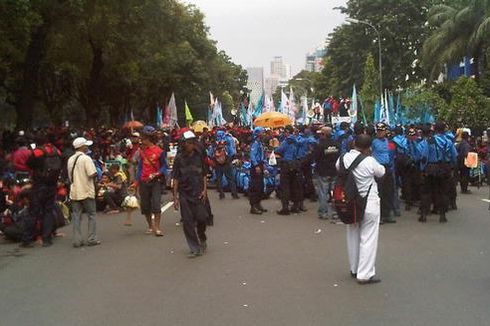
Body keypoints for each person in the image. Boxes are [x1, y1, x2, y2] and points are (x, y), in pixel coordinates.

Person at [336, 134, 385, 284]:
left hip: (350, 202)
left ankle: (354, 268)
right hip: (369, 202)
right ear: (368, 148)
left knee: (352, 234)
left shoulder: (342, 159)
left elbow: (339, 169)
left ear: (354, 144)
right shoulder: (370, 161)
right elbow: (381, 172)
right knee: (368, 237)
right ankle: (365, 273)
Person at [172, 131, 209, 258]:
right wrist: (175, 197)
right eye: (188, 143)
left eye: (192, 142)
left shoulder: (199, 156)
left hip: (198, 192)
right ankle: (194, 248)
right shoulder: (178, 159)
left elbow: (204, 174)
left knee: (202, 218)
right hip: (184, 193)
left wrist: (205, 190)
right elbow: (175, 178)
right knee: (187, 222)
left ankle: (202, 236)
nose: (191, 145)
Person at [21, 136, 62, 248]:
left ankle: (27, 240)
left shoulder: (38, 152)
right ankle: (47, 239)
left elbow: (29, 164)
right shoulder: (56, 151)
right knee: (48, 211)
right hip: (52, 185)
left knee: (33, 212)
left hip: (39, 185)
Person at [417, 122, 458, 223]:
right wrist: (452, 168)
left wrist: (423, 169)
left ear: (434, 129)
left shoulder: (429, 141)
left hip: (431, 168)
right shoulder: (448, 142)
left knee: (426, 192)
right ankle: (442, 215)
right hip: (445, 168)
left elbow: (424, 156)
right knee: (443, 192)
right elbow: (454, 156)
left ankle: (423, 215)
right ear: (444, 130)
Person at [68, 137, 101, 247]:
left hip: (74, 192)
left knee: (76, 217)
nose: (87, 147)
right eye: (86, 145)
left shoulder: (70, 159)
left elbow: (70, 177)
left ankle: (77, 240)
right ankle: (92, 239)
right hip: (86, 190)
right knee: (91, 215)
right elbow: (92, 173)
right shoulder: (86, 159)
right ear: (82, 147)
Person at [136, 126, 167, 236]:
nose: (142, 140)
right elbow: (140, 168)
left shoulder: (159, 151)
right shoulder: (141, 152)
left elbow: (164, 166)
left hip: (156, 182)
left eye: (143, 138)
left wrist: (156, 174)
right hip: (144, 181)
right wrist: (136, 182)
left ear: (149, 139)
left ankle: (157, 227)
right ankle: (150, 225)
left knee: (156, 204)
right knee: (145, 205)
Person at [371, 123, 396, 224]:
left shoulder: (388, 142)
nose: (380, 133)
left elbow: (391, 154)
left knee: (388, 191)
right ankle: (379, 216)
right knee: (379, 192)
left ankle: (387, 214)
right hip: (378, 168)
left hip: (388, 168)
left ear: (386, 131)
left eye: (382, 131)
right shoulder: (373, 142)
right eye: (378, 131)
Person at [313, 126, 340, 219]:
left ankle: (323, 213)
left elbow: (316, 157)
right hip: (334, 171)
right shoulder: (337, 144)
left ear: (323, 134)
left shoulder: (320, 145)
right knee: (334, 193)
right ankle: (335, 213)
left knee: (323, 193)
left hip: (323, 172)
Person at [275, 125, 301, 215]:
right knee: (294, 186)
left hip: (286, 165)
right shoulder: (297, 141)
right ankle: (295, 206)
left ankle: (285, 208)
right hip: (295, 165)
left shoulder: (286, 142)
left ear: (287, 132)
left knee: (285, 186)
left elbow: (278, 150)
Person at [211, 130, 239, 200]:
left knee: (219, 179)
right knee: (230, 178)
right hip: (226, 163)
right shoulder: (227, 141)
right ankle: (234, 194)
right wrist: (229, 160)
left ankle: (221, 194)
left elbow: (210, 154)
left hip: (217, 164)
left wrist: (215, 160)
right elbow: (232, 152)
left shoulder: (215, 143)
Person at [249, 127, 267, 215]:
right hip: (256, 166)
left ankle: (258, 204)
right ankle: (253, 206)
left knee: (260, 186)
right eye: (262, 132)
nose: (264, 134)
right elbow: (252, 155)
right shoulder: (255, 143)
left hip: (260, 164)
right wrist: (256, 166)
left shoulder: (260, 143)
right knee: (255, 186)